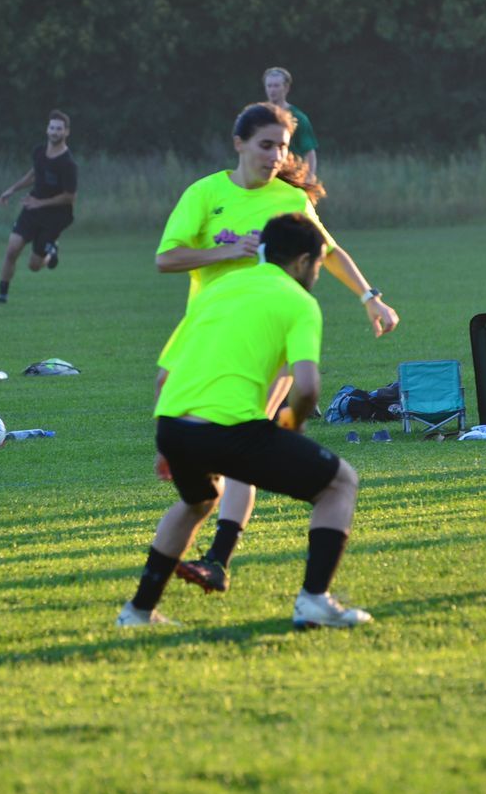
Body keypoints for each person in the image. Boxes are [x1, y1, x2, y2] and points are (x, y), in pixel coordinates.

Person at [156, 103, 397, 595]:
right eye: (266, 145)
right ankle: (200, 565)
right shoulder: (205, 194)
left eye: (282, 147)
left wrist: (370, 297)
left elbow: (328, 251)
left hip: (267, 346)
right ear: (239, 143)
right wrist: (227, 250)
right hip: (209, 340)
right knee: (224, 459)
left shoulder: (289, 199)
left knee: (245, 442)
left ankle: (217, 559)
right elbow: (167, 258)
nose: (275, 156)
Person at [121, 213, 370, 630]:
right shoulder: (298, 302)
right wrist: (294, 420)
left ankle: (137, 613)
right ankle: (314, 600)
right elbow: (307, 387)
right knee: (340, 483)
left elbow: (164, 375)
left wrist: (168, 445)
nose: (317, 275)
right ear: (304, 261)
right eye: (317, 266)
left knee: (198, 501)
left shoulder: (217, 290)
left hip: (174, 424)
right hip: (230, 430)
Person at [0, 110, 77, 303]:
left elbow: (70, 197)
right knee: (12, 250)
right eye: (52, 127)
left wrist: (41, 203)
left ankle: (50, 253)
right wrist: (12, 189)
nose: (54, 132)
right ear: (47, 129)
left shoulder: (68, 164)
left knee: (34, 266)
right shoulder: (39, 152)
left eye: (59, 129)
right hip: (32, 210)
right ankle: (2, 296)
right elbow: (33, 175)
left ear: (66, 132)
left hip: (54, 217)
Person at [262, 67, 319, 182]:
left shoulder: (298, 117)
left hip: (290, 178)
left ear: (286, 88)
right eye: (269, 86)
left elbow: (309, 153)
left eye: (276, 86)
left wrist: (308, 180)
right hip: (264, 178)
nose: (272, 90)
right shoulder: (259, 116)